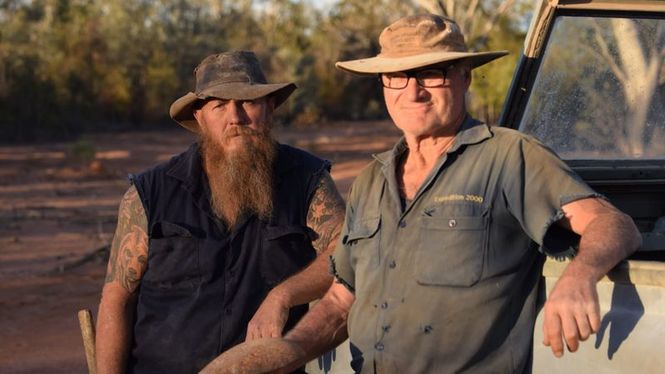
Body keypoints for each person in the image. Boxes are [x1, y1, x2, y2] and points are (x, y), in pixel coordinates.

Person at [200, 14, 642, 374]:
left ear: (464, 77)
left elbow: (612, 223)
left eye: (430, 73)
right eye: (396, 76)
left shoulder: (509, 157)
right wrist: (287, 351)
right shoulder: (373, 180)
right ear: (384, 87)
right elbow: (341, 298)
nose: (412, 90)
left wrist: (579, 277)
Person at [95, 51, 345, 373]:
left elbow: (347, 250)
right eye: (219, 105)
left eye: (248, 102)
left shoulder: (307, 180)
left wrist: (282, 296)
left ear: (270, 109)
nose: (236, 117)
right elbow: (117, 297)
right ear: (200, 117)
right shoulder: (150, 192)